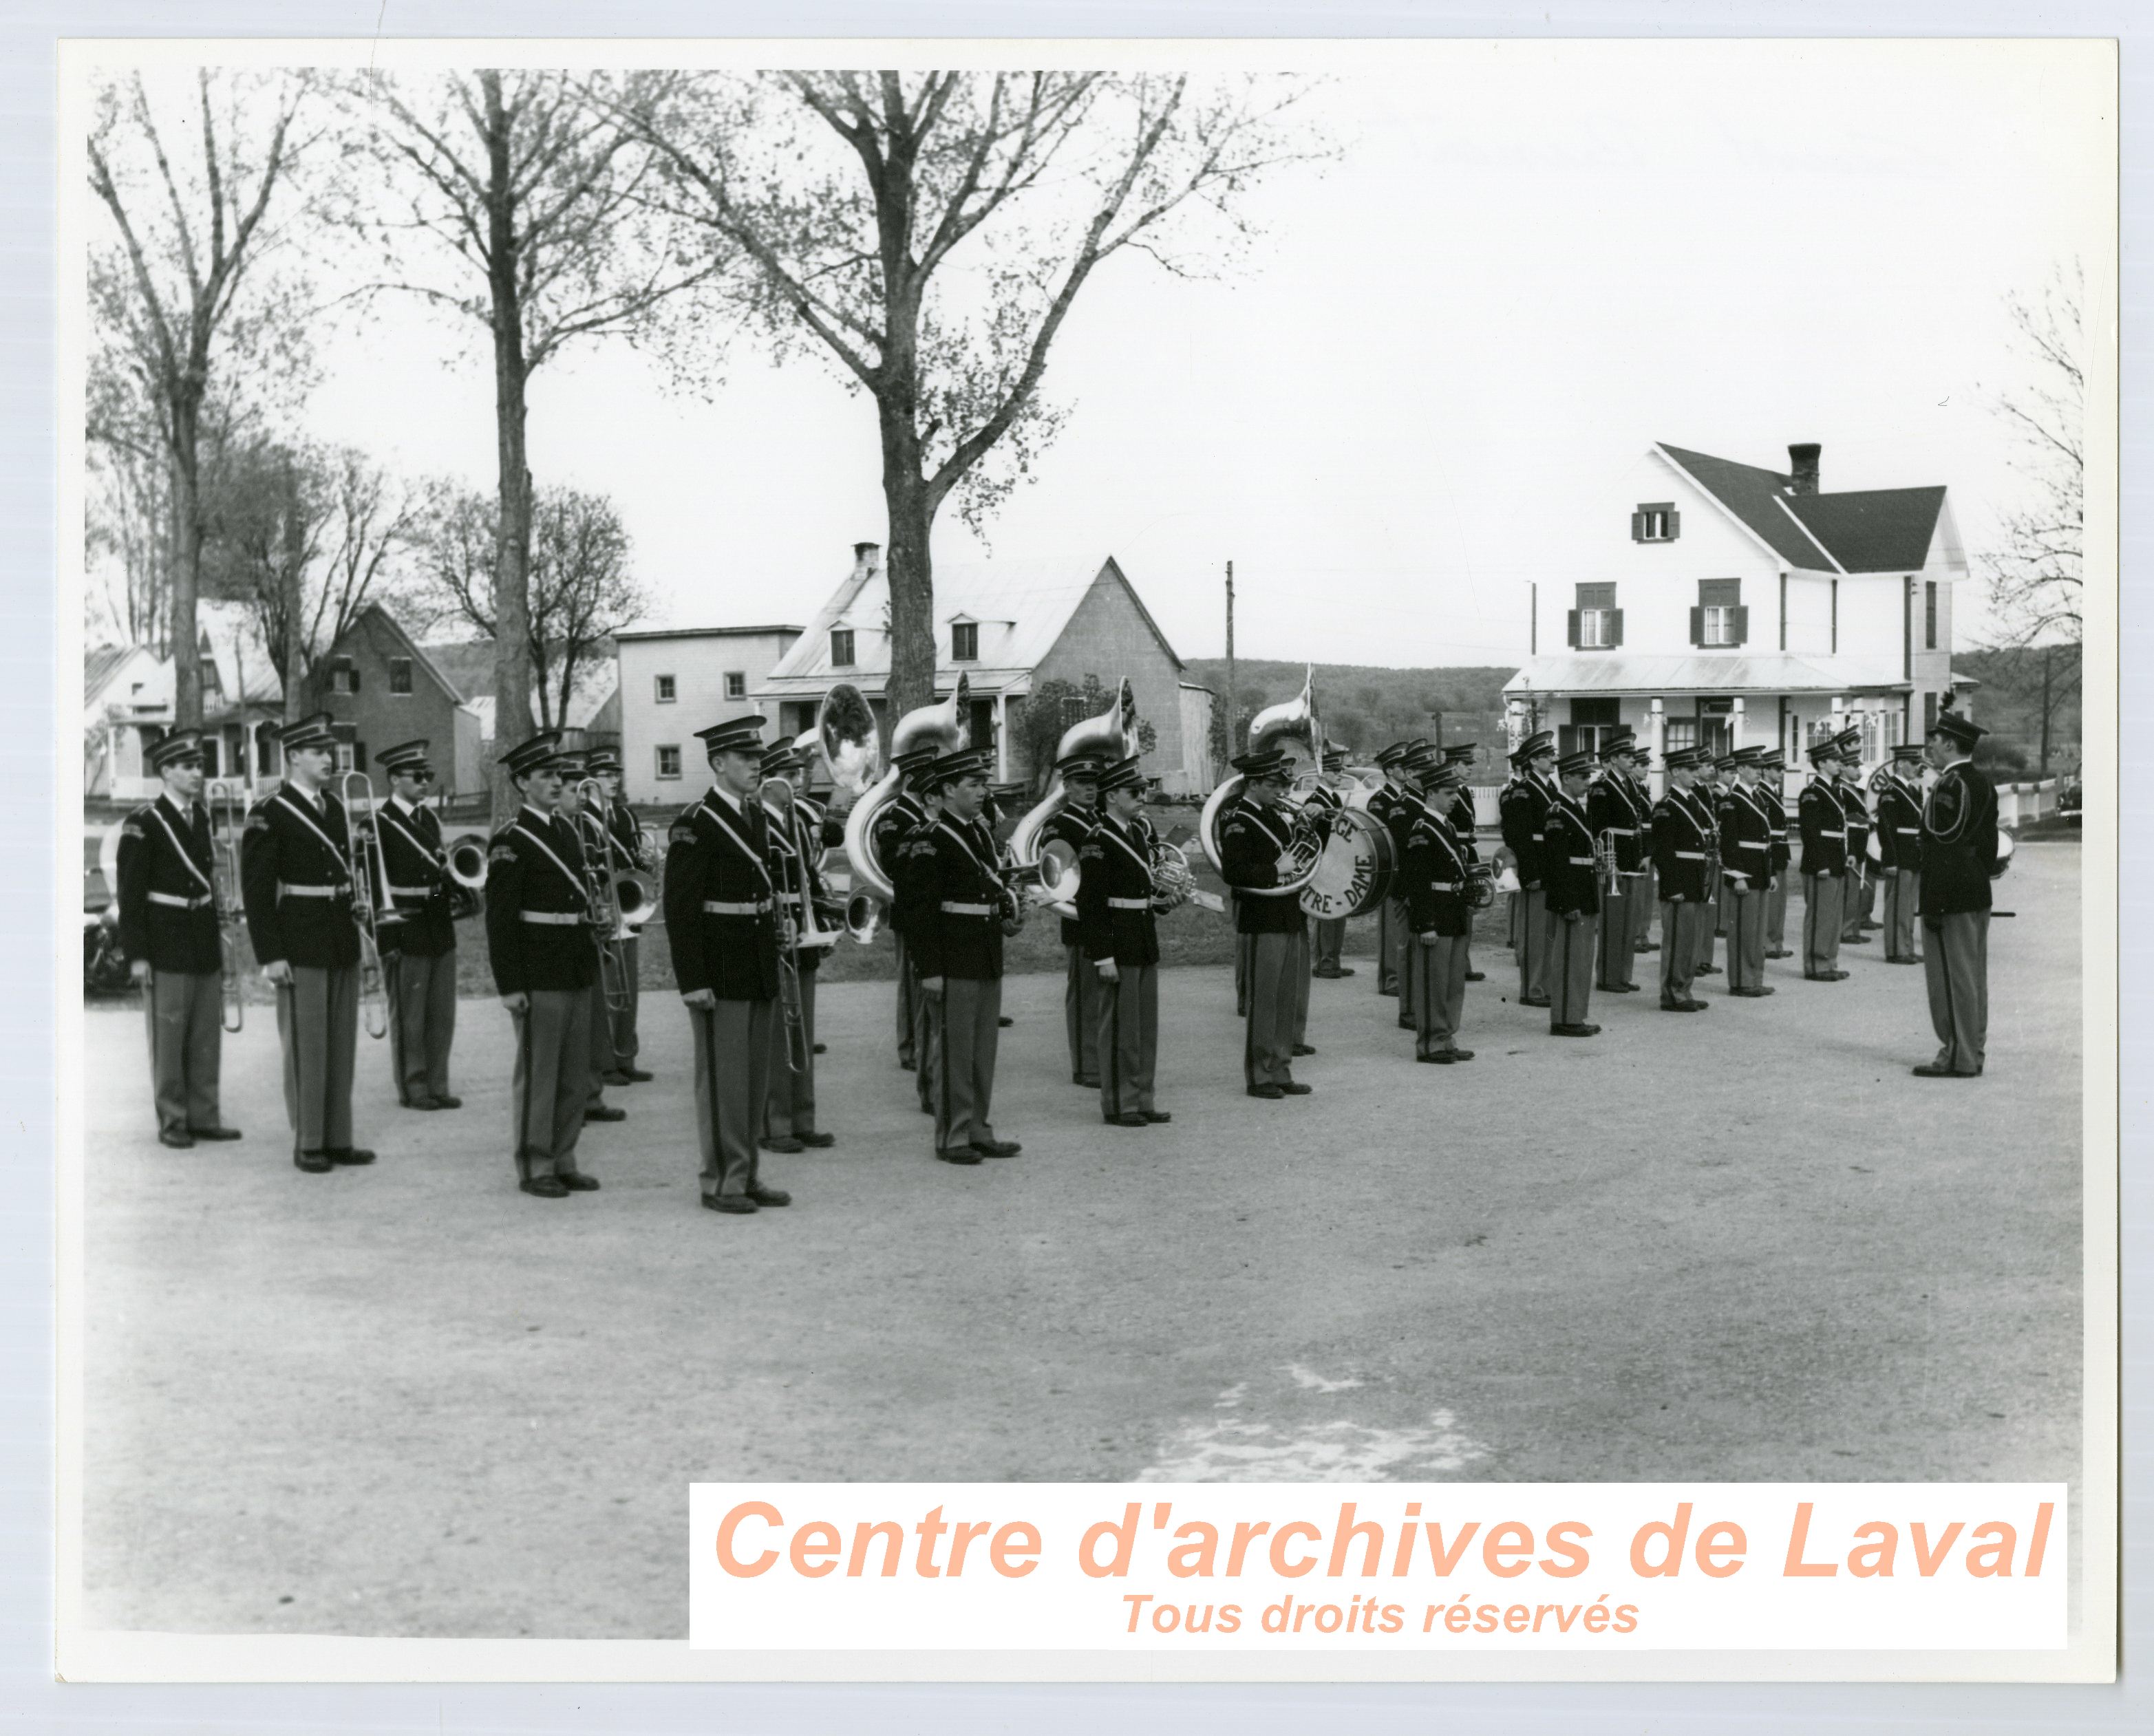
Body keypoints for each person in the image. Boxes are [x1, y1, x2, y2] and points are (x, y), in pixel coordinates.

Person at [663, 715, 793, 1214]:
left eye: (759, 757)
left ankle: (746, 1171)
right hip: (719, 971)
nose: (757, 765)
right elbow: (681, 910)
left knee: (752, 1081)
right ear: (718, 762)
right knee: (723, 1083)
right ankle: (721, 1180)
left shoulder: (755, 815)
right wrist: (692, 980)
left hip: (755, 963)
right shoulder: (695, 823)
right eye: (746, 758)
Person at [239, 711, 372, 1174]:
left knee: (339, 1044)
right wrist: (271, 954)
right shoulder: (268, 813)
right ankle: (308, 1139)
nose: (328, 758)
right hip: (299, 938)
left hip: (338, 932)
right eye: (318, 751)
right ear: (293, 756)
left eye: (329, 750)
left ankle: (338, 1137)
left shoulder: (333, 807)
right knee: (307, 1044)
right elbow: (256, 891)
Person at [483, 733, 601, 1198]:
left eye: (559, 774)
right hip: (538, 969)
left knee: (574, 1072)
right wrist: (510, 984)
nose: (557, 782)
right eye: (546, 775)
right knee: (540, 1072)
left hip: (574, 963)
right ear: (521, 782)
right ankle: (535, 1163)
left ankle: (564, 1155)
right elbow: (500, 921)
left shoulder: (566, 830)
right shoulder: (511, 840)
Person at [896, 748, 1023, 1163]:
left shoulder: (978, 833)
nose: (984, 791)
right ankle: (953, 1135)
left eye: (984, 783)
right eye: (974, 784)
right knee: (954, 1051)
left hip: (984, 952)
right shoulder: (928, 839)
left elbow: (986, 891)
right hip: (952, 957)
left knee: (982, 1050)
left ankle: (978, 1127)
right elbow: (917, 912)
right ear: (948, 790)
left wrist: (1009, 914)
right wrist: (929, 969)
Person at [117, 729, 240, 1149]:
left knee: (206, 1033)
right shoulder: (144, 822)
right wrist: (137, 955)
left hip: (202, 936)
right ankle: (173, 1120)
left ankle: (205, 1116)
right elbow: (130, 895)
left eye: (199, 766)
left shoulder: (201, 816)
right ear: (165, 771)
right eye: (187, 766)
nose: (196, 774)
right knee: (169, 1037)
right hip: (165, 940)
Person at [1077, 756, 1170, 1127]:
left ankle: (1142, 1097)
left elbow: (1142, 890)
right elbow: (1091, 904)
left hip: (1142, 937)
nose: (1142, 797)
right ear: (1112, 796)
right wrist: (1102, 956)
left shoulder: (1136, 833)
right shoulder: (1097, 839)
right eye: (1135, 791)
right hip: (1117, 940)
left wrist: (1163, 901)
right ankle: (1119, 1103)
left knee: (1144, 1027)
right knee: (1119, 1028)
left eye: (1144, 791)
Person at [1218, 748, 1313, 1099]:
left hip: (1288, 913)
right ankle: (1260, 1075)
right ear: (1253, 783)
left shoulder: (1274, 815)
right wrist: (1276, 870)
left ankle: (1281, 1068)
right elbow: (1234, 872)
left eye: (1281, 783)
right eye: (1272, 784)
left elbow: (1301, 855)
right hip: (1262, 918)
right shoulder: (1238, 820)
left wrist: (1319, 822)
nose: (1280, 789)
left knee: (1286, 998)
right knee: (1266, 999)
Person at [371, 739, 460, 1111]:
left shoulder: (429, 818)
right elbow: (375, 886)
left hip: (437, 921)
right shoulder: (377, 823)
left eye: (429, 775)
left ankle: (438, 1083)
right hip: (404, 924)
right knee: (410, 1013)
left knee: (441, 1011)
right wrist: (385, 940)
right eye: (417, 776)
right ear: (394, 779)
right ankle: (414, 1085)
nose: (426, 782)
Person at [759, 740, 836, 1152]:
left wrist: (823, 921)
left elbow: (809, 878)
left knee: (802, 1030)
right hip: (776, 934)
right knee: (778, 1033)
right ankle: (776, 1123)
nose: (797, 783)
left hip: (802, 935)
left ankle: (803, 1117)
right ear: (768, 783)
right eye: (788, 777)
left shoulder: (796, 822)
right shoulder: (757, 823)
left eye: (798, 775)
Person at [1915, 711, 1998, 1078]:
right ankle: (1971, 1053)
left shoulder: (1950, 787)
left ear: (1950, 744)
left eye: (1934, 741)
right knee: (1972, 977)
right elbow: (1989, 848)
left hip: (1949, 896)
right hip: (1976, 891)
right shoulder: (1982, 783)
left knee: (1950, 979)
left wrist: (1933, 902)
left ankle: (1956, 1056)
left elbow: (1941, 849)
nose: (1930, 747)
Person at [558, 762, 628, 1124]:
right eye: (575, 791)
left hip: (592, 930)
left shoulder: (587, 828)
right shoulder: (555, 832)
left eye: (584, 791)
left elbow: (602, 873)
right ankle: (572, 1102)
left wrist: (606, 906)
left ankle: (591, 1095)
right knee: (570, 1028)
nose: (582, 799)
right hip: (567, 934)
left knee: (594, 1020)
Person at [1403, 759, 1475, 1063]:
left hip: (1454, 910)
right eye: (1448, 792)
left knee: (1452, 981)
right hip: (1436, 912)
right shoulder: (1422, 828)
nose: (1455, 797)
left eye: (1456, 792)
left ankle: (1446, 1037)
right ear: (1431, 794)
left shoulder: (1446, 825)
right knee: (1434, 981)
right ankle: (1430, 1042)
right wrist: (1425, 923)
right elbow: (1417, 882)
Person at [1043, 753, 1106, 1086]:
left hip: (1106, 914)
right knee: (1086, 995)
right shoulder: (1060, 824)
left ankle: (1101, 1059)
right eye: (1082, 784)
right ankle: (1086, 1065)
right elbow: (1055, 872)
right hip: (1080, 916)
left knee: (1104, 992)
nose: (1090, 789)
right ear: (1066, 787)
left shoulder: (1101, 818)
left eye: (1094, 783)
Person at [877, 748, 937, 1094]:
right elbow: (893, 866)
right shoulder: (895, 817)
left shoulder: (928, 813)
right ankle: (909, 1047)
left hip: (927, 906)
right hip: (907, 908)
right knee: (910, 981)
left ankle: (920, 1044)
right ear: (914, 780)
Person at [591, 750, 654, 1082]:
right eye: (605, 774)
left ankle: (626, 1057)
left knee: (629, 988)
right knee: (608, 991)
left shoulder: (626, 817)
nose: (614, 780)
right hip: (604, 907)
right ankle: (605, 1062)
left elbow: (636, 863)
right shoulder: (585, 816)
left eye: (616, 774)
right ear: (590, 780)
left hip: (629, 908)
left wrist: (646, 868)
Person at [1540, 749, 1601, 1036]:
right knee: (1568, 960)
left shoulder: (1575, 807)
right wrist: (1567, 902)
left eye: (1588, 776)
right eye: (1582, 776)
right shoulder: (1557, 812)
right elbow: (1555, 863)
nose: (1587, 781)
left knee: (1580, 960)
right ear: (1565, 778)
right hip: (1572, 895)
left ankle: (1574, 1014)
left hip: (1583, 890)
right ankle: (1565, 1018)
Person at [1649, 748, 1712, 1013]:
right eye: (1691, 769)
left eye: (1698, 768)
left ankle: (1684, 989)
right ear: (1675, 772)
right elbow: (1663, 850)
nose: (1697, 773)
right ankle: (1672, 994)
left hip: (1695, 878)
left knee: (1691, 941)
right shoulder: (1666, 805)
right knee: (1678, 941)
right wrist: (1672, 886)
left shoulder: (1693, 801)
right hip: (1679, 881)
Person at [1497, 731, 1557, 1007]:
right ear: (1533, 761)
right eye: (1547, 756)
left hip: (1551, 866)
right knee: (1535, 934)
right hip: (1537, 869)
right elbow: (1520, 837)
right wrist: (1531, 874)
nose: (1553, 760)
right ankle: (1532, 989)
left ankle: (1543, 984)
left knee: (1547, 932)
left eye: (1552, 755)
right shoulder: (1525, 789)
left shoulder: (1549, 787)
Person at [1587, 732, 1646, 994]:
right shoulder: (1602, 786)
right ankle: (1608, 977)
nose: (1632, 760)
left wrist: (1641, 855)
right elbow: (1598, 828)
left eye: (1633, 756)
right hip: (1615, 860)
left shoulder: (1630, 784)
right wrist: (1608, 862)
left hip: (1631, 857)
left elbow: (1636, 824)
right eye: (1626, 756)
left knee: (1628, 921)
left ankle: (1623, 975)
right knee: (1613, 922)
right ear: (1612, 759)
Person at [1716, 748, 1777, 998]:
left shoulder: (1758, 797)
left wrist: (1770, 872)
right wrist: (1736, 874)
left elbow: (1765, 840)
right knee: (1743, 930)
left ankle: (1754, 979)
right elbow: (1728, 842)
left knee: (1757, 931)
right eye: (1754, 767)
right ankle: (1741, 981)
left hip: (1760, 871)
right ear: (1740, 769)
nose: (1759, 771)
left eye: (1761, 767)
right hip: (1744, 873)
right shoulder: (1732, 800)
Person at [1798, 737, 1852, 981]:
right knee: (1820, 915)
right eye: (1835, 760)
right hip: (1821, 862)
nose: (1840, 764)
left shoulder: (1833, 790)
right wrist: (1821, 864)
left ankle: (1829, 961)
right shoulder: (1812, 793)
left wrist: (1845, 855)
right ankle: (1816, 965)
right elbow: (1810, 832)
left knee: (1833, 916)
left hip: (1836, 859)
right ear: (1821, 764)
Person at [1366, 744, 1411, 998]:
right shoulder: (1380, 801)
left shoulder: (1405, 798)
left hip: (1405, 868)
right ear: (1391, 771)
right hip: (1390, 871)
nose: (1406, 771)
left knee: (1403, 928)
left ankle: (1400, 976)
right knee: (1391, 927)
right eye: (1402, 767)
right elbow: (1380, 842)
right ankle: (1389, 979)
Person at [1876, 743, 1928, 964]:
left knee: (1908, 906)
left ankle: (1907, 947)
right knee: (1898, 905)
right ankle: (1896, 950)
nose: (1918, 767)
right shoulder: (1890, 792)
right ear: (1899, 764)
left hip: (1913, 855)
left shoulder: (1913, 790)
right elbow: (1886, 829)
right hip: (1899, 856)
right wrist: (1891, 860)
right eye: (1913, 763)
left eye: (1919, 763)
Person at [1308, 742, 1355, 978]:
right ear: (1322, 773)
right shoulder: (1316, 799)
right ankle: (1324, 962)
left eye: (1341, 770)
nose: (1340, 774)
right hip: (1323, 865)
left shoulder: (1333, 798)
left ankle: (1332, 960)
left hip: (1336, 864)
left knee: (1338, 913)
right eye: (1335, 771)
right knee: (1326, 915)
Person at [1442, 744, 1488, 982]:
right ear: (1452, 765)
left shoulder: (1464, 791)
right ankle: (1456, 963)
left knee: (1468, 909)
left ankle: (1463, 962)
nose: (1470, 769)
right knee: (1458, 910)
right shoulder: (1447, 790)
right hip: (1455, 852)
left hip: (1466, 852)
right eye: (1466, 765)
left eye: (1470, 765)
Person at [1837, 739, 1875, 945]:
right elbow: (1847, 816)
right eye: (1854, 767)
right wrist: (1865, 820)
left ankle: (1853, 928)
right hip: (1851, 840)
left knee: (1856, 888)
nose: (1858, 770)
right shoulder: (1841, 789)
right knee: (1850, 889)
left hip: (1861, 840)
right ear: (1843, 768)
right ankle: (1846, 930)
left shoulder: (1857, 790)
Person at [1758, 753, 1795, 958]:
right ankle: (1768, 943)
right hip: (1771, 850)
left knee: (1779, 902)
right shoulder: (1762, 793)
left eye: (1782, 769)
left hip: (1780, 850)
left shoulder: (1773, 792)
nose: (1781, 773)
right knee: (1772, 901)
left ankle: (1776, 942)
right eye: (1777, 769)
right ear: (1765, 770)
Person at [1630, 747, 1660, 953]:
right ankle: (1636, 936)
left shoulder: (1641, 789)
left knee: (1647, 895)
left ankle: (1643, 934)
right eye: (1642, 765)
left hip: (1649, 846)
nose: (1646, 769)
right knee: (1638, 896)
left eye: (1648, 765)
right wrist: (1645, 853)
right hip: (1640, 848)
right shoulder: (1632, 790)